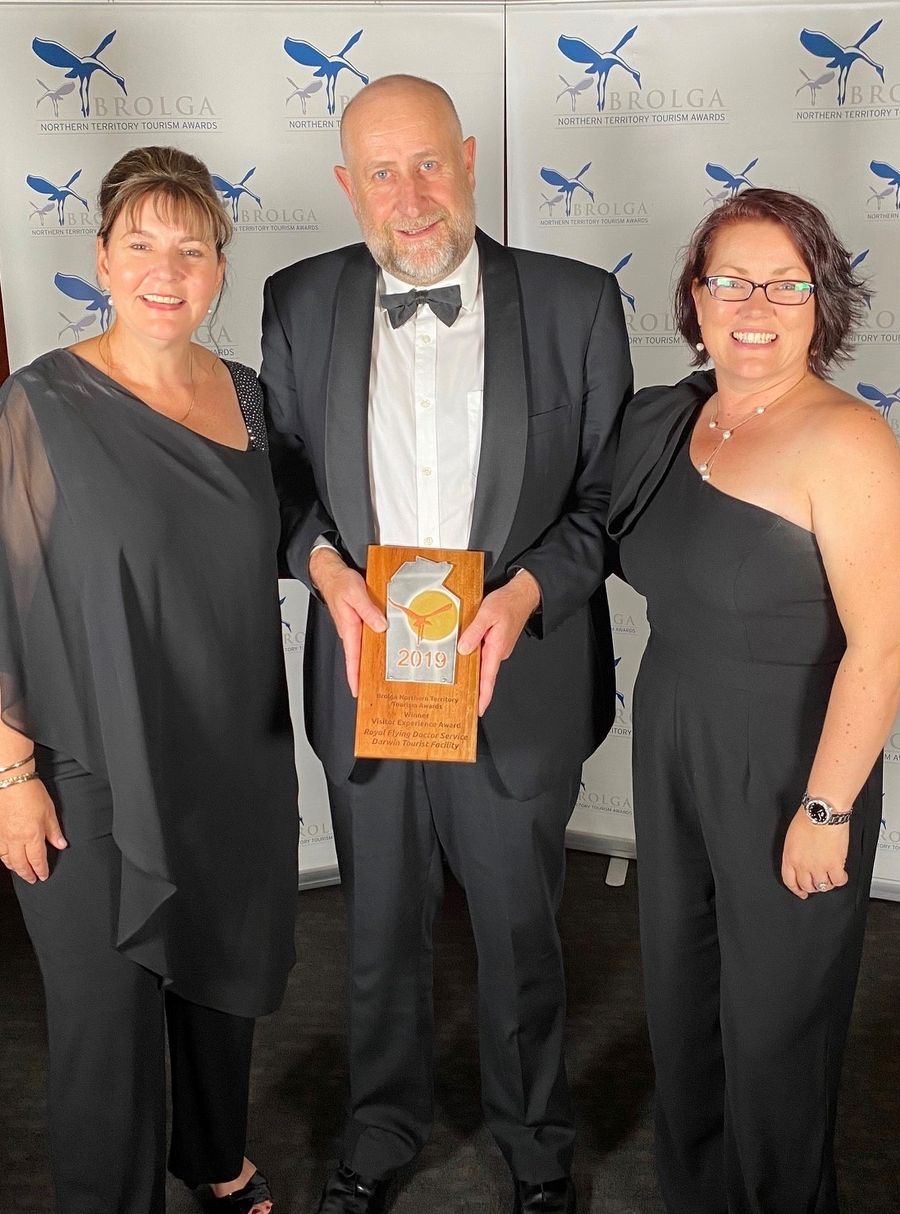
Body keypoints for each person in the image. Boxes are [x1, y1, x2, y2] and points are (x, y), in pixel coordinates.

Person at [261, 75, 631, 1214]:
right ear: (347, 185)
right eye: (382, 172)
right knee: (377, 929)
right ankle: (379, 1130)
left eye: (428, 163)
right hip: (370, 671)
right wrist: (324, 571)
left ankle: (533, 1143)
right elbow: (280, 481)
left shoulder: (574, 301)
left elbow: (607, 498)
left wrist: (523, 595)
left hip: (509, 674)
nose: (410, 196)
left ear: (469, 158)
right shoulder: (298, 299)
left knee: (522, 928)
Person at [0, 146, 299, 1214]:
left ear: (220, 264)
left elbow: (301, 535)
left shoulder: (254, 400)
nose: (166, 270)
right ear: (101, 259)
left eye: (191, 248)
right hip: (88, 761)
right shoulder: (40, 403)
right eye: (142, 245)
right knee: (104, 1021)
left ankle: (215, 1159)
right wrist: (11, 775)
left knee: (221, 983)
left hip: (232, 753)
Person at [607, 188, 900, 1213]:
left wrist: (826, 809)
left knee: (776, 1031)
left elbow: (882, 643)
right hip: (675, 730)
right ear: (696, 295)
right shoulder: (672, 418)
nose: (755, 304)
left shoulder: (850, 440)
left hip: (792, 752)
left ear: (821, 302)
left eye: (785, 283)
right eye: (730, 279)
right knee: (687, 1007)